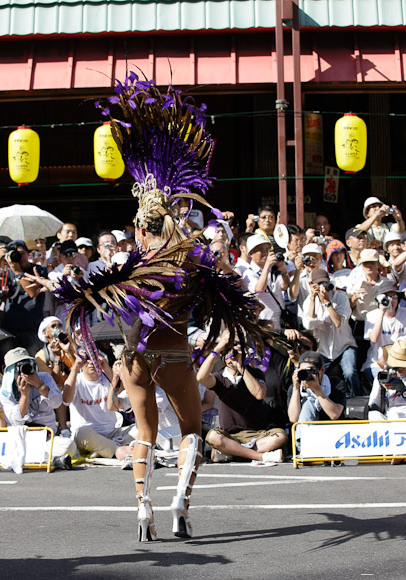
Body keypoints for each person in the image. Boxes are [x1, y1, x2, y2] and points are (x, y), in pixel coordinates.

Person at [44, 75, 268, 542]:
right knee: (190, 430)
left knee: (143, 432)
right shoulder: (191, 262)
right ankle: (179, 504)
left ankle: (143, 505)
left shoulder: (127, 265)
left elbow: (93, 297)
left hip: (133, 360)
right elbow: (228, 294)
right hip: (174, 356)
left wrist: (57, 283)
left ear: (140, 228)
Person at [198, 331, 286, 463]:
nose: (233, 356)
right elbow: (200, 378)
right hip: (229, 435)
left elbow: (259, 394)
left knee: (280, 436)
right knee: (213, 436)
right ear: (223, 356)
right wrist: (217, 348)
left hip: (256, 434)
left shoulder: (256, 374)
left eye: (237, 353)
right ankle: (260, 456)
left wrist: (242, 368)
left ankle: (231, 452)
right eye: (229, 353)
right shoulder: (219, 377)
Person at [0, 347, 76, 470]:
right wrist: (24, 395)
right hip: (22, 440)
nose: (24, 370)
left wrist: (40, 385)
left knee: (68, 446)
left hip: (46, 438)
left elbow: (57, 402)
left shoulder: (44, 378)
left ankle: (38, 458)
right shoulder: (4, 392)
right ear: (11, 370)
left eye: (26, 364)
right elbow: (16, 420)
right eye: (19, 367)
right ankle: (53, 460)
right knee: (13, 448)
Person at [63, 352, 136, 460]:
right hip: (87, 435)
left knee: (139, 429)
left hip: (113, 433)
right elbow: (66, 400)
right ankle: (117, 450)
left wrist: (106, 367)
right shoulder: (76, 379)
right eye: (87, 359)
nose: (91, 362)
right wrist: (75, 367)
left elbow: (120, 397)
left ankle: (103, 450)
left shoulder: (106, 377)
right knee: (83, 433)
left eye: (94, 358)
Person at [302, 268, 360, 397]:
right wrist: (312, 299)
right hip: (323, 349)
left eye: (324, 283)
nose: (322, 287)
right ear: (311, 285)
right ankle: (321, 399)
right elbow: (309, 325)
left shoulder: (341, 298)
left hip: (345, 344)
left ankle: (357, 399)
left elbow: (338, 323)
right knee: (318, 374)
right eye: (318, 284)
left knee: (350, 371)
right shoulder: (308, 302)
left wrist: (328, 302)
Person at [287, 351, 345, 449]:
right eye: (302, 371)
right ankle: (304, 445)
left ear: (322, 370)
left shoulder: (336, 384)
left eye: (310, 371)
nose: (306, 375)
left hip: (333, 437)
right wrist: (296, 389)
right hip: (307, 439)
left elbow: (334, 414)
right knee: (308, 404)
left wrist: (318, 390)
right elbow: (293, 418)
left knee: (309, 403)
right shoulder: (294, 387)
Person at [362, 279, 406, 384]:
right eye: (388, 297)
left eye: (394, 297)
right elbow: (374, 339)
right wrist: (382, 311)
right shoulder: (372, 315)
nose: (392, 300)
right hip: (377, 363)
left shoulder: (404, 314)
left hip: (400, 363)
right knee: (388, 381)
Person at [242, 236, 290, 330]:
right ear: (251, 253)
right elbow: (259, 290)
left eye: (267, 249)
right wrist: (267, 266)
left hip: (280, 323)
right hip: (264, 325)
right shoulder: (248, 273)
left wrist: (284, 272)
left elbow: (285, 286)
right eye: (261, 249)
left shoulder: (273, 270)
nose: (265, 253)